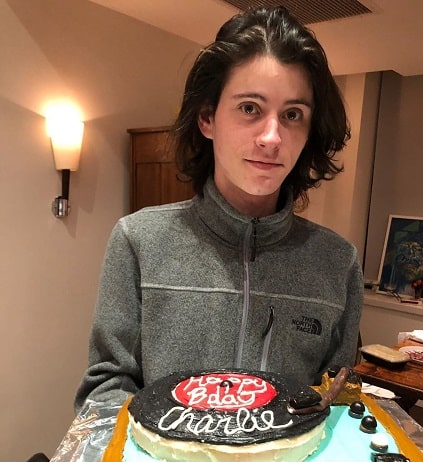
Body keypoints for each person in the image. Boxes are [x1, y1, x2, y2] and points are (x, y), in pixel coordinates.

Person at [74, 5, 363, 412]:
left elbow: (336, 400)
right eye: (250, 108)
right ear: (207, 118)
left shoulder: (338, 263)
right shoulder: (139, 241)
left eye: (292, 114)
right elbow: (106, 389)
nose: (271, 137)